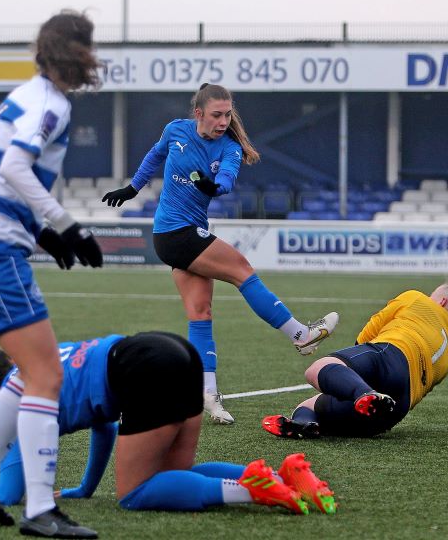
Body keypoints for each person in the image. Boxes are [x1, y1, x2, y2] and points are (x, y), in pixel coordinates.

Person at [0, 10, 104, 538]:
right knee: (46, 376)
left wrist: (41, 234)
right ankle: (39, 510)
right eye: (90, 47)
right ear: (77, 52)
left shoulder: (28, 94)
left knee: (30, 372)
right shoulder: (51, 103)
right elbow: (13, 166)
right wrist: (66, 225)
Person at [101, 83, 339, 425]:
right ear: (198, 114)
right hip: (173, 232)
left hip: (182, 235)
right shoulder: (176, 130)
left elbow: (225, 181)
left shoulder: (228, 148)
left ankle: (208, 394)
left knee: (201, 313)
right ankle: (300, 335)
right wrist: (132, 188)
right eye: (216, 114)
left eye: (228, 113)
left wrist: (210, 186)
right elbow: (155, 155)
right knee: (243, 270)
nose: (224, 120)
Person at [0, 331, 337, 516]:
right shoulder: (41, 362)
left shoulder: (16, 399)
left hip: (143, 369)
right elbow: (104, 426)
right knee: (175, 475)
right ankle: (285, 476)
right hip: (172, 350)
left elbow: (9, 495)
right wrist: (83, 488)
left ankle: (252, 491)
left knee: (132, 494)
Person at [262, 278, 448, 439]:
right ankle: (305, 425)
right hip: (396, 407)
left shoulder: (417, 299)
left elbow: (373, 326)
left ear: (441, 301)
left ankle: (364, 393)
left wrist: (355, 361)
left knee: (317, 369)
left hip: (392, 355)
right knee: (310, 405)